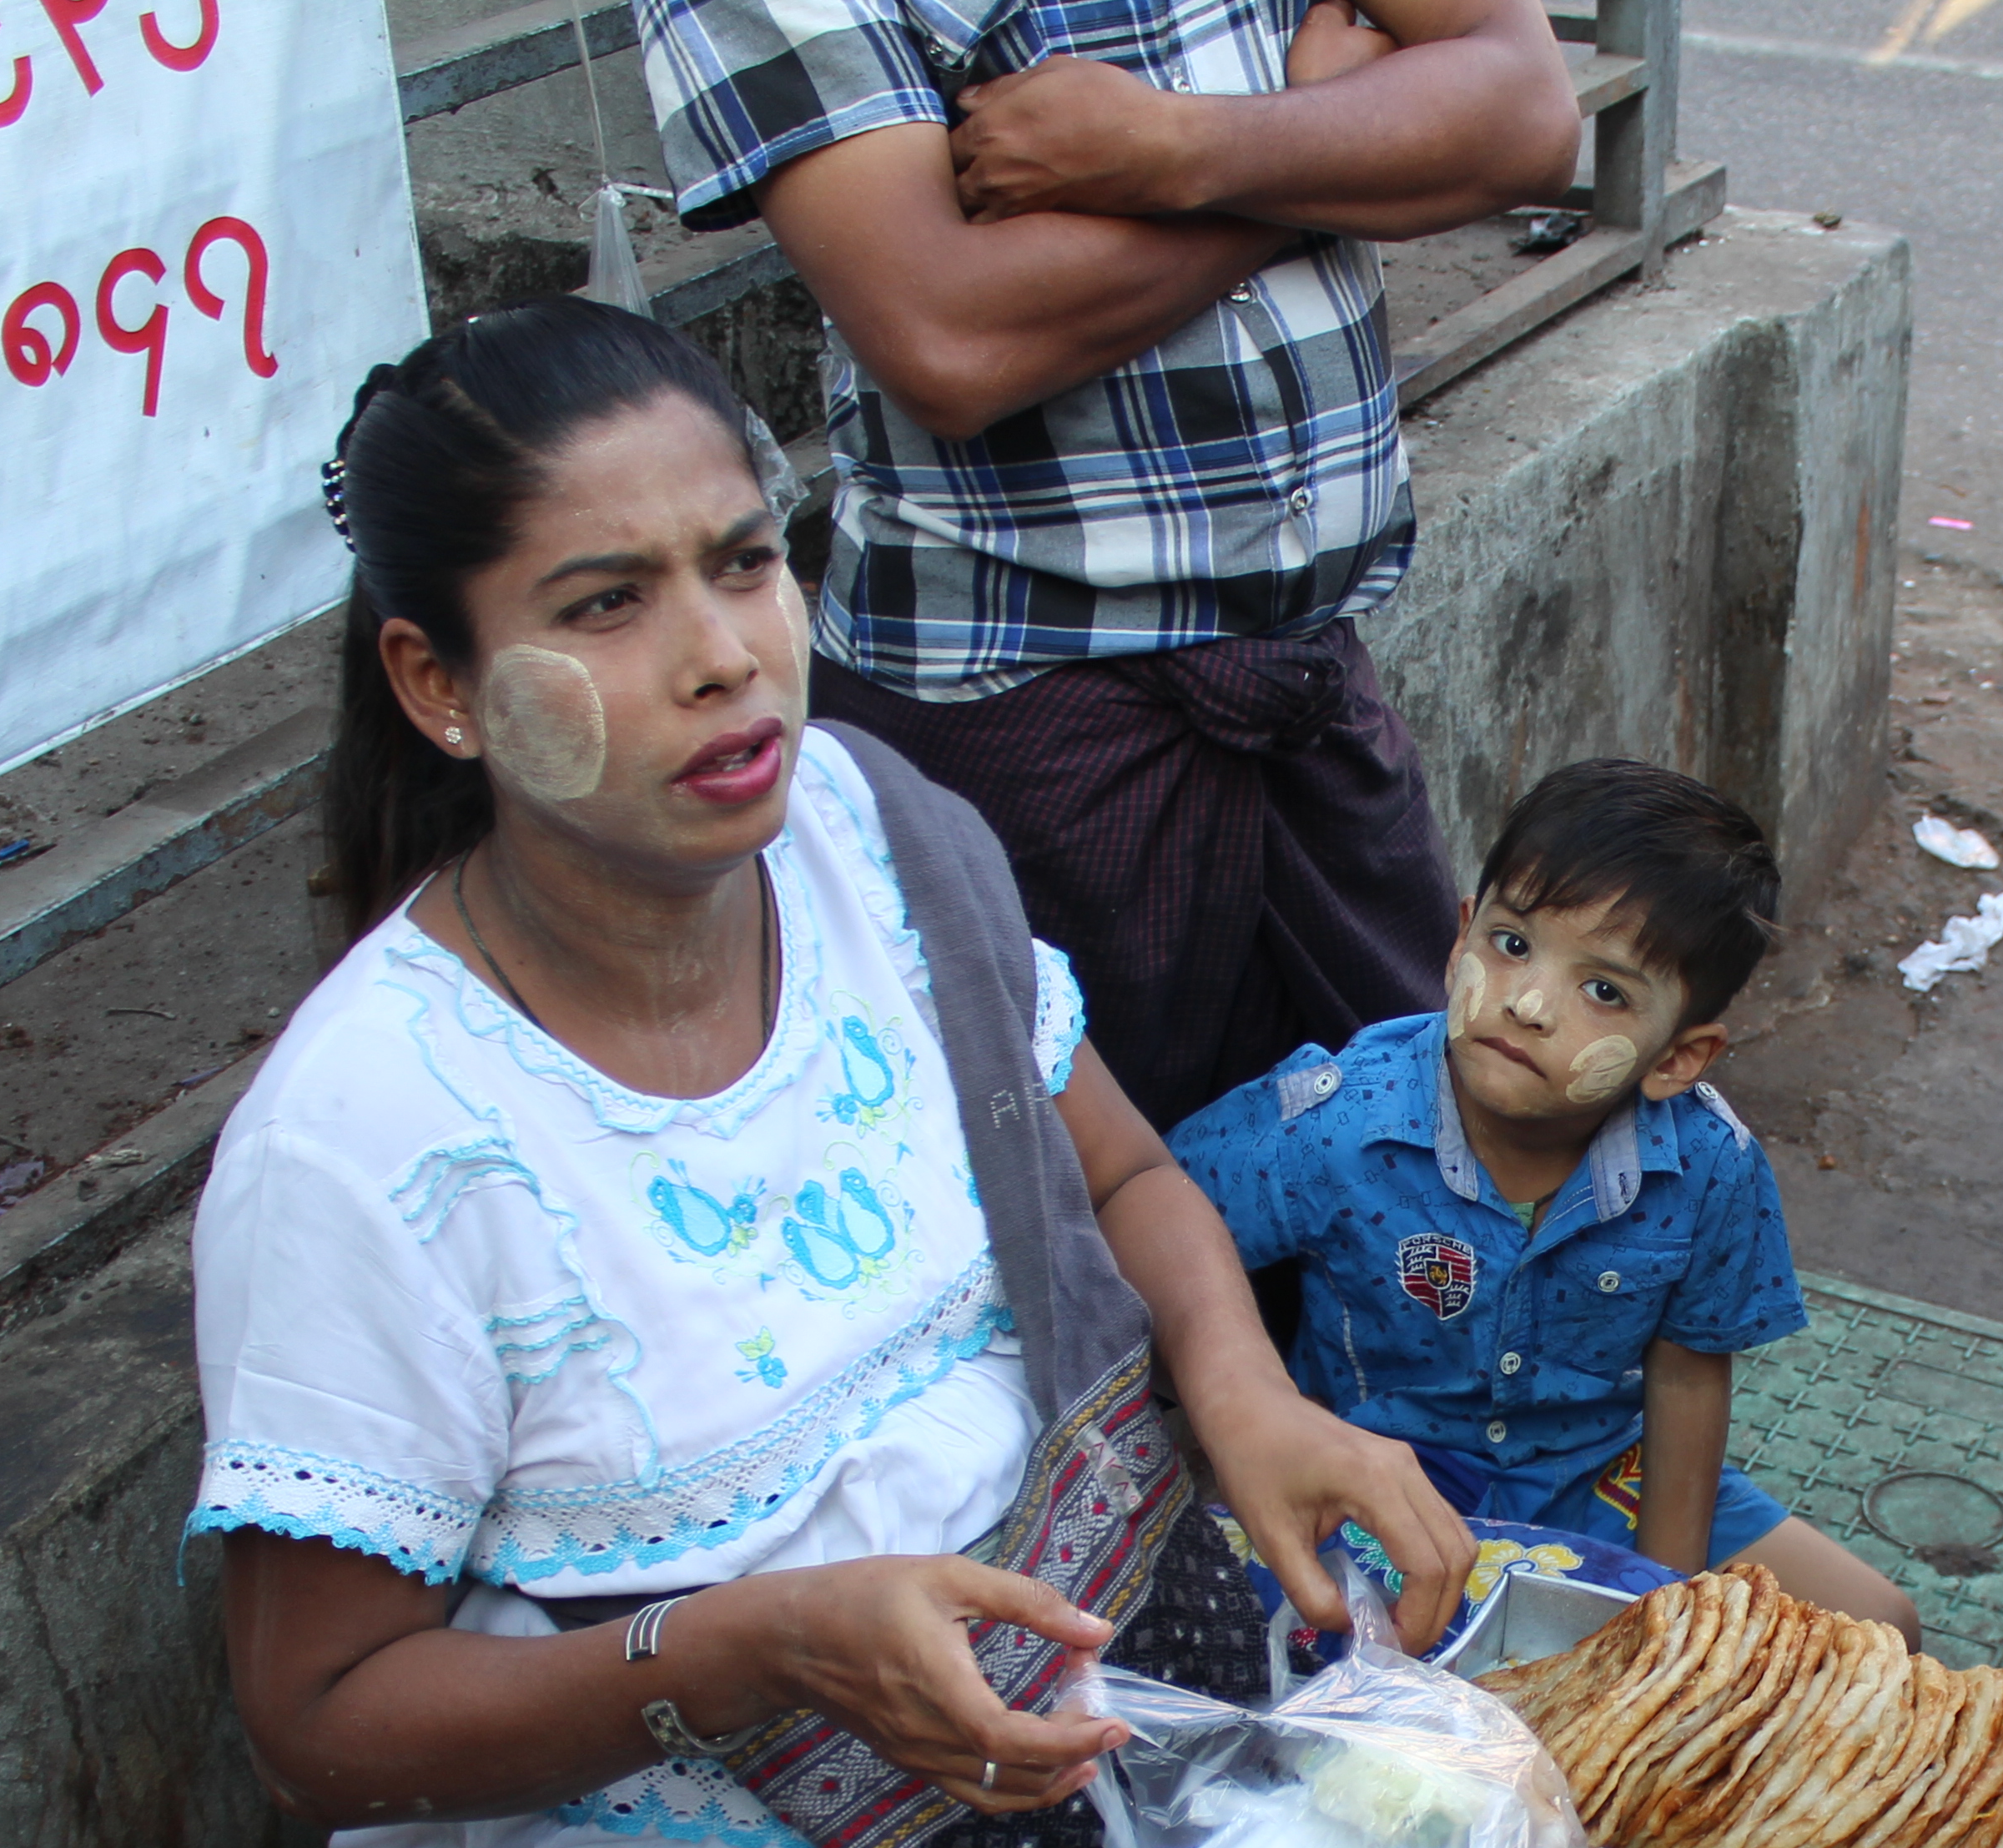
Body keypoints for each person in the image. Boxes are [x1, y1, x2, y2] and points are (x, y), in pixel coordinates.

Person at [196, 296, 1467, 1848]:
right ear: (439, 685)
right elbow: (315, 1717)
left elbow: (1130, 1178)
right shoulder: (368, 1142)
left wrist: (1249, 1395)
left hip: (1065, 1645)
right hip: (668, 1834)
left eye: (748, 560)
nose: (727, 656)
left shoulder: (876, 839)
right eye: (609, 602)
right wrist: (754, 1643)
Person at [630, 0, 1579, 1128]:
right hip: (1021, 727)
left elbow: (1525, 116)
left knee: (1426, 1196)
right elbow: (951, 337)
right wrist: (1316, 134)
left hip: (1307, 687)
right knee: (1100, 1231)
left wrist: (1176, 146)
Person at [1168, 759, 1921, 1632]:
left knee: (1881, 1622)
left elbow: (1685, 1378)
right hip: (1383, 1479)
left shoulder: (1713, 1165)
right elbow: (1160, 1229)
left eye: (1603, 990)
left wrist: (1654, 1596)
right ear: (1459, 940)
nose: (1527, 1004)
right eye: (1512, 944)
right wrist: (1232, 1443)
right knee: (1397, 1672)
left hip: (1601, 1473)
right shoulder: (1334, 1124)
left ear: (1678, 1057)